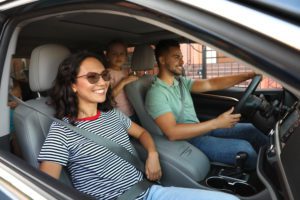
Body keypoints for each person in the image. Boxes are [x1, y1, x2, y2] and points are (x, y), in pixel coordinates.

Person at [38, 51, 239, 200]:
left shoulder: (112, 114)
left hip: (150, 191)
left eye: (105, 75)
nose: (102, 82)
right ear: (72, 84)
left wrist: (152, 154)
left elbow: (142, 132)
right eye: (92, 77)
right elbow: (45, 190)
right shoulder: (62, 132)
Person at [145, 39, 268, 170]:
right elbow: (172, 132)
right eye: (176, 57)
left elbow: (211, 83)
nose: (182, 62)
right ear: (162, 60)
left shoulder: (180, 82)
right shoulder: (156, 94)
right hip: (187, 140)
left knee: (251, 130)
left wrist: (249, 75)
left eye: (181, 57)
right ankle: (269, 181)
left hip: (200, 129)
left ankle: (277, 162)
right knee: (245, 149)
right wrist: (216, 123)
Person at [106, 40, 139, 122]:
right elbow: (108, 96)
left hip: (132, 112)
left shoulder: (126, 71)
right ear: (107, 56)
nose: (118, 56)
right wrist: (123, 82)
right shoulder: (106, 73)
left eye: (122, 54)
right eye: (114, 54)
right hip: (117, 116)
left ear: (126, 56)